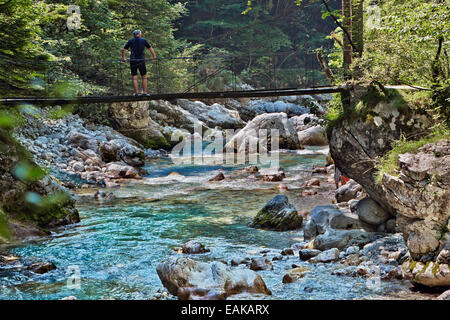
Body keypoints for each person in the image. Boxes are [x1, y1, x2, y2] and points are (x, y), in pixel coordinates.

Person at [121, 30, 157, 96]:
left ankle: (136, 93)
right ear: (139, 34)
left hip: (133, 60)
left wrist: (123, 58)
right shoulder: (143, 40)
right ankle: (144, 92)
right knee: (144, 77)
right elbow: (150, 48)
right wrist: (154, 56)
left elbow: (124, 50)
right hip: (141, 60)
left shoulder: (130, 40)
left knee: (134, 77)